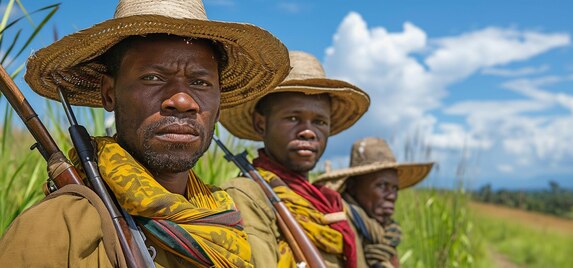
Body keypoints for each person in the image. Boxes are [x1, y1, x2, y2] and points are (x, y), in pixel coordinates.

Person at [0, 0, 290, 267]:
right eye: (153, 78)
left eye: (200, 82)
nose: (183, 102)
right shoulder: (58, 229)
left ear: (218, 104)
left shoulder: (226, 216)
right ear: (109, 93)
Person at [220, 51, 370, 268]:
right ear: (261, 124)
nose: (308, 132)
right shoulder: (246, 195)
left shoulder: (333, 206)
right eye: (293, 118)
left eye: (319, 122)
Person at [315, 137, 434, 267]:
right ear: (352, 186)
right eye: (382, 185)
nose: (392, 196)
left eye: (395, 188)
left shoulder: (386, 234)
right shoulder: (337, 223)